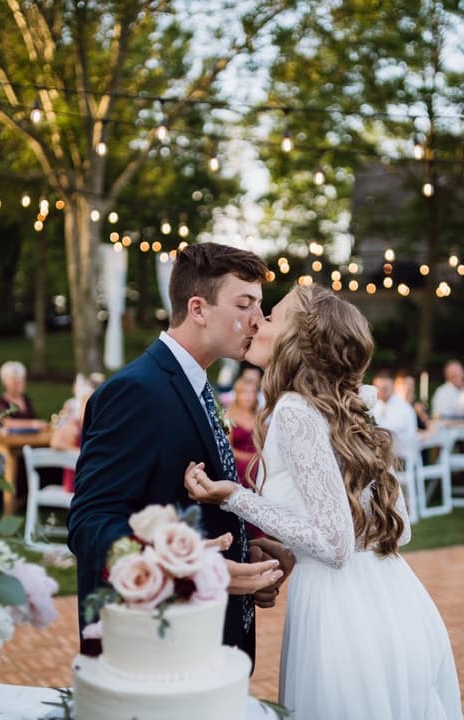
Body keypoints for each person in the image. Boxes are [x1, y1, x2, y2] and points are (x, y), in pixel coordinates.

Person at [185, 285, 462, 719]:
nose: (258, 322)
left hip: (341, 614)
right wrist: (293, 550)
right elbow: (397, 527)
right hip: (394, 597)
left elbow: (334, 544)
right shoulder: (346, 409)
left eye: (271, 316)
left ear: (297, 339)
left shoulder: (295, 411)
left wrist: (234, 495)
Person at [66, 243, 289, 666]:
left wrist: (246, 554)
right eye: (244, 305)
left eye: (260, 306)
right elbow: (90, 524)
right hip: (161, 646)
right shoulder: (135, 391)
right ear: (198, 309)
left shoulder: (198, 385)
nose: (258, 321)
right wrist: (193, 572)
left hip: (213, 638)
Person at [51, 373, 103, 493]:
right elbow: (56, 442)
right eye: (86, 403)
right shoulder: (76, 425)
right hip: (78, 483)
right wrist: (82, 454)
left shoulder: (99, 425)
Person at [373, 370, 420, 458]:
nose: (381, 391)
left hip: (401, 457)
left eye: (385, 388)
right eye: (378, 387)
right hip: (383, 453)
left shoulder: (403, 407)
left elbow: (388, 432)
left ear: (393, 387)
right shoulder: (376, 405)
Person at [227, 373, 260, 486]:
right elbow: (228, 449)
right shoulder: (228, 418)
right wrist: (249, 458)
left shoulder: (260, 417)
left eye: (252, 393)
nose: (249, 396)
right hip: (238, 466)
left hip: (259, 464)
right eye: (244, 392)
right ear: (237, 395)